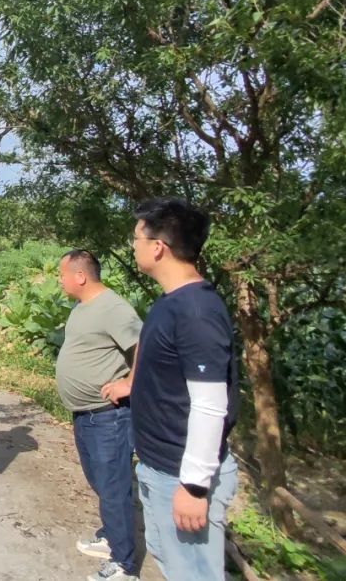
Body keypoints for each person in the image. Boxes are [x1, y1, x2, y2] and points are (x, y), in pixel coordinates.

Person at [130, 198, 238, 581]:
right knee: (171, 564)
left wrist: (193, 486)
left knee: (194, 575)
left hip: (180, 475)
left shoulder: (196, 311)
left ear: (157, 246)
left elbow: (211, 404)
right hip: (160, 466)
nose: (134, 245)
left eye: (137, 238)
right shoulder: (171, 301)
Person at [56, 250, 143, 581]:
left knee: (114, 486)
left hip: (109, 417)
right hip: (85, 416)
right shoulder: (82, 307)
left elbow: (143, 345)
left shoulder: (113, 307)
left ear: (80, 276)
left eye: (62, 274)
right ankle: (112, 537)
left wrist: (129, 383)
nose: (60, 281)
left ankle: (124, 565)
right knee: (102, 483)